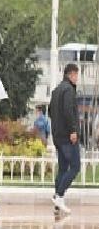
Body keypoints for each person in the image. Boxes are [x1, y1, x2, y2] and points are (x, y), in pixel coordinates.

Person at [49, 63, 81, 215]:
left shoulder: (56, 91)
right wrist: (73, 130)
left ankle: (57, 203)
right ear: (71, 74)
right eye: (76, 75)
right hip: (68, 137)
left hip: (57, 136)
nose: (77, 78)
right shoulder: (68, 90)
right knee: (75, 166)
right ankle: (59, 195)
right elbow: (68, 111)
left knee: (62, 168)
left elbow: (50, 111)